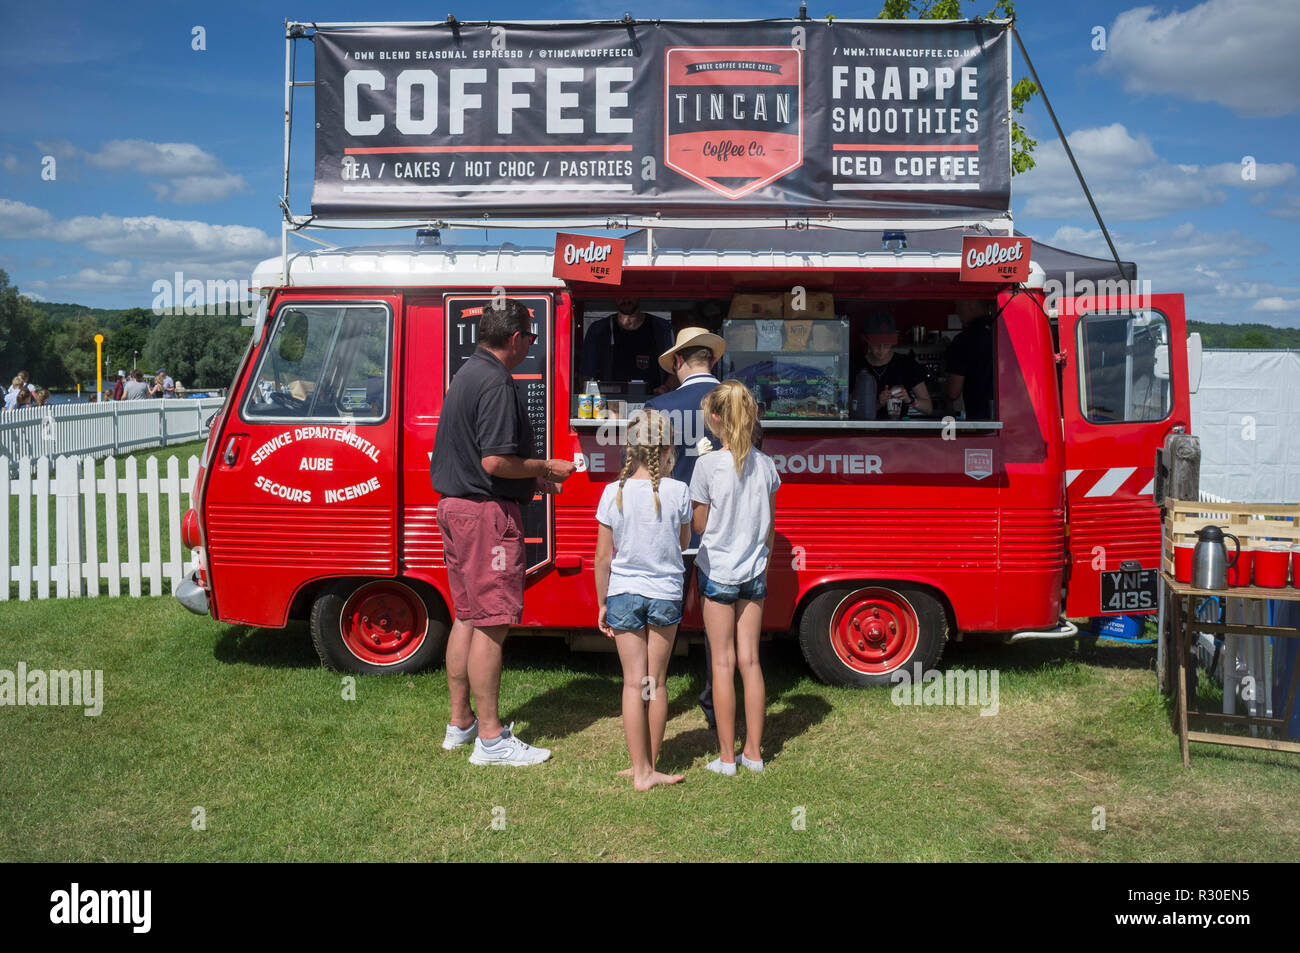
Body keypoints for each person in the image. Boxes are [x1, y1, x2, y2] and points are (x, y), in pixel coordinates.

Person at [431, 299, 577, 766]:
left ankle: (461, 724)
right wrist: (547, 466)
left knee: (468, 617)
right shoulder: (495, 382)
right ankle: (492, 740)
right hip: (485, 517)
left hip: (456, 508)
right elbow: (495, 460)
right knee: (492, 624)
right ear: (515, 339)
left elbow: (480, 459)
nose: (532, 346)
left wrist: (530, 480)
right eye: (531, 338)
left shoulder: (467, 374)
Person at [594, 409, 691, 791]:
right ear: (666, 449)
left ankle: (639, 768)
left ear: (629, 448)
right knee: (656, 682)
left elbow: (604, 558)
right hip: (665, 593)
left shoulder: (611, 492)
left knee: (633, 684)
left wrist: (602, 603)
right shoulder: (678, 491)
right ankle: (648, 768)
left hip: (623, 594)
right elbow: (682, 544)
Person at [691, 380, 781, 775]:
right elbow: (770, 528)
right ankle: (755, 753)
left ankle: (727, 758)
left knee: (723, 663)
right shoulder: (766, 465)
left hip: (718, 571)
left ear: (715, 419)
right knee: (751, 661)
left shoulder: (707, 465)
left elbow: (698, 524)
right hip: (754, 572)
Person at [645, 325, 727, 728]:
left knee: (663, 620)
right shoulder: (736, 404)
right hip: (720, 529)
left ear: (678, 361)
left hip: (673, 530)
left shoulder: (658, 406)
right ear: (712, 359)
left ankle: (649, 697)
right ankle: (717, 708)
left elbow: (645, 474)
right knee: (719, 628)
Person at [579, 297, 674, 393]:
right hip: (608, 403)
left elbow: (675, 369)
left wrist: (666, 388)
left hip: (653, 402)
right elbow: (586, 374)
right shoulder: (599, 329)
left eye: (631, 293)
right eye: (620, 294)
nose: (626, 299)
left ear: (640, 294)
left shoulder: (661, 328)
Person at [855, 313, 933, 420]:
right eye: (876, 344)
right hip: (863, 432)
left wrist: (909, 400)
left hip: (899, 432)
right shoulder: (856, 365)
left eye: (886, 345)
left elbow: (928, 408)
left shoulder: (906, 364)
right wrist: (878, 404)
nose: (881, 350)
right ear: (866, 340)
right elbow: (848, 409)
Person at [945, 300, 996, 420]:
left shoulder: (963, 340)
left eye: (958, 305)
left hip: (979, 416)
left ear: (971, 305)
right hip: (1011, 414)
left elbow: (953, 392)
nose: (956, 311)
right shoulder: (1001, 334)